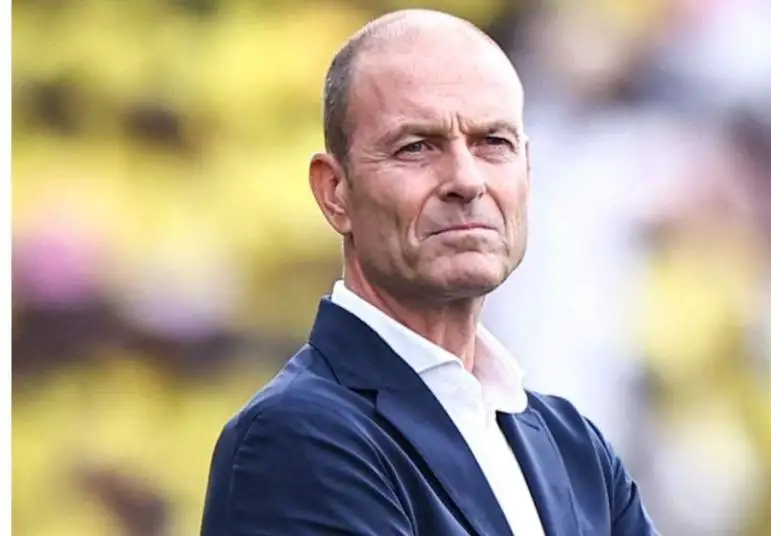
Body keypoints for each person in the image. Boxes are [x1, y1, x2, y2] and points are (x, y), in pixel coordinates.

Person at [199, 9, 658, 536]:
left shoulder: (576, 450)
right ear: (335, 192)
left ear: (527, 172)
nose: (467, 180)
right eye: (416, 147)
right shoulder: (295, 437)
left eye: (494, 143)